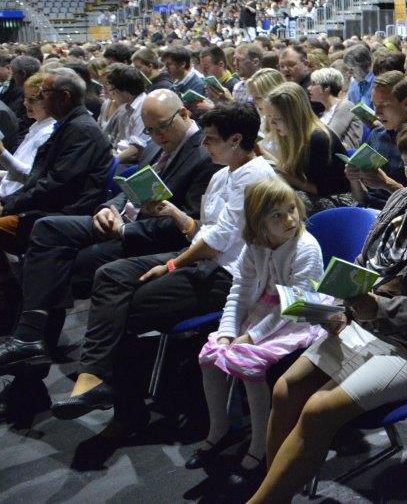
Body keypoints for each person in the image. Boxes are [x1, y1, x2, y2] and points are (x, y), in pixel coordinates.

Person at [249, 115, 407, 502]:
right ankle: (277, 487)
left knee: (319, 409)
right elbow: (369, 263)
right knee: (286, 389)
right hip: (369, 324)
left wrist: (378, 309)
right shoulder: (404, 199)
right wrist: (341, 304)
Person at [49, 102, 277, 431]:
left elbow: (217, 243)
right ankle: (94, 377)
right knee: (110, 275)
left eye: (211, 139)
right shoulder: (224, 173)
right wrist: (174, 213)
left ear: (236, 139)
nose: (204, 145)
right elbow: (204, 230)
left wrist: (171, 264)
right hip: (203, 259)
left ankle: (125, 407)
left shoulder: (256, 177)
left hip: (229, 277)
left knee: (123, 307)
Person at [0, 90, 215, 377]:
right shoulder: (156, 146)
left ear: (184, 114)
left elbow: (186, 225)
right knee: (47, 229)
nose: (156, 136)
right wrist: (108, 207)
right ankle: (32, 334)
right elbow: (131, 187)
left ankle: (36, 343)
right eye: (150, 130)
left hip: (149, 238)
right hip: (120, 221)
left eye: (162, 127)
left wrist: (124, 230)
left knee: (59, 262)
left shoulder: (204, 155)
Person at [190, 177, 324, 490]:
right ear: (258, 221)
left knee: (248, 363)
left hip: (303, 314)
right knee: (210, 356)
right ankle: (220, 429)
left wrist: (250, 337)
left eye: (291, 209)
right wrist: (227, 332)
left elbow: (295, 306)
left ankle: (260, 444)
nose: (289, 219)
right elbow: (239, 291)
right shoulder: (255, 246)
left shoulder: (306, 247)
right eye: (277, 215)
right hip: (268, 310)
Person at [0, 68, 111, 255]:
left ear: (64, 97)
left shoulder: (82, 131)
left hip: (63, 213)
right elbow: (38, 178)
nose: (41, 99)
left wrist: (9, 206)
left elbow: (55, 184)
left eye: (44, 93)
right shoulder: (67, 125)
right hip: (47, 205)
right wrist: (7, 202)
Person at [263, 82, 347, 213]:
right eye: (269, 117)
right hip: (311, 193)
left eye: (278, 118)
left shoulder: (318, 139)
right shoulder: (291, 135)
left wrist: (290, 179)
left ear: (294, 117)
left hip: (337, 201)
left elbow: (325, 188)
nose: (272, 123)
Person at [346, 70, 407, 210]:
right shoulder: (377, 134)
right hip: (370, 210)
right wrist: (354, 180)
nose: (376, 113)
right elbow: (362, 199)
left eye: (384, 105)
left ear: (406, 103)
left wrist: (387, 184)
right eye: (375, 105)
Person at [0, 73, 55, 198]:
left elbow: (29, 176)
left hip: (11, 200)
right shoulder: (38, 124)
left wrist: (2, 152)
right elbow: (14, 174)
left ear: (49, 101)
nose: (25, 103)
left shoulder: (48, 132)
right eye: (25, 98)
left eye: (31, 100)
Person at [307, 67, 362, 150]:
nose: (309, 88)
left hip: (343, 156)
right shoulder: (323, 113)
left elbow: (327, 136)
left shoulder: (346, 106)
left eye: (313, 84)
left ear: (326, 88)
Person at [105, 63, 150, 163]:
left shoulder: (144, 108)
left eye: (112, 90)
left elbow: (137, 149)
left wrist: (111, 162)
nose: (111, 94)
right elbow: (119, 141)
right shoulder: (125, 107)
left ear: (125, 91)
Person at [246, 67, 286, 162]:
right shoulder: (263, 119)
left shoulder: (287, 124)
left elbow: (291, 168)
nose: (254, 102)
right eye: (253, 98)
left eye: (259, 98)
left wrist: (260, 151)